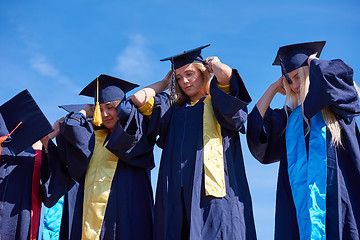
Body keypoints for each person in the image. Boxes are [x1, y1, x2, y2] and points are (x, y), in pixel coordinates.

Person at [131, 45, 257, 239]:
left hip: (211, 188)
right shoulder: (171, 110)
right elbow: (138, 99)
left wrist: (214, 64)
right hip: (175, 189)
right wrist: (165, 84)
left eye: (190, 74)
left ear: (203, 72)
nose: (185, 81)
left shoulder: (218, 101)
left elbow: (227, 76)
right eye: (179, 78)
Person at [246, 41, 360, 240]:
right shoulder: (290, 119)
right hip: (299, 209)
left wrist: (314, 62)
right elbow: (256, 131)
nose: (294, 85)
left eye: (298, 77)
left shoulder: (336, 105)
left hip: (337, 199)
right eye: (288, 81)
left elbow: (335, 79)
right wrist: (273, 88)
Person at [47, 74, 154, 239]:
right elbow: (71, 128)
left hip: (126, 212)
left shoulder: (135, 131)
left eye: (110, 107)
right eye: (100, 109)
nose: (105, 114)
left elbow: (129, 110)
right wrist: (84, 111)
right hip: (91, 217)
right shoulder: (93, 138)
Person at [0, 89, 60, 240]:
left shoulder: (38, 155)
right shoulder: (3, 149)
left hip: (22, 222)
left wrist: (47, 143)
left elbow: (50, 195)